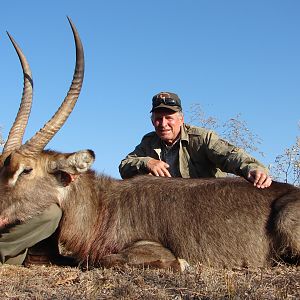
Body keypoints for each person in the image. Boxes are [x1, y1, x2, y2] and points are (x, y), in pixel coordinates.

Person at [119, 91, 272, 189]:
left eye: (169, 118)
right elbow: (124, 166)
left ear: (181, 119)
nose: (163, 124)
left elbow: (230, 155)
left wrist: (252, 168)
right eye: (158, 119)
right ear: (152, 121)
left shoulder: (202, 138)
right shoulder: (149, 142)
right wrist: (147, 162)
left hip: (206, 205)